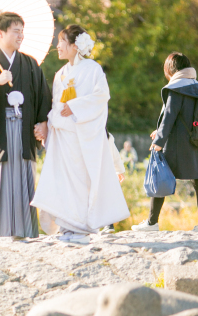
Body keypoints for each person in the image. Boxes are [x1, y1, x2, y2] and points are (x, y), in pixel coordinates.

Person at [31, 25, 130, 244]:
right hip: (63, 135)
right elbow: (56, 104)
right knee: (64, 180)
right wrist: (50, 122)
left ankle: (84, 226)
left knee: (83, 180)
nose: (58, 47)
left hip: (83, 136)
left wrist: (75, 106)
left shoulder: (92, 69)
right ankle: (67, 226)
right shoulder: (60, 74)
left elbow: (101, 96)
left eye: (62, 42)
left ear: (75, 46)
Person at [0, 12, 52, 244]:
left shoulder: (30, 64)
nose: (21, 36)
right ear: (0, 34)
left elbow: (43, 96)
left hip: (24, 128)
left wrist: (42, 123)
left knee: (22, 175)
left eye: (22, 31)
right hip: (0, 129)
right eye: (16, 31)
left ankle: (21, 230)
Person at [133, 52, 198, 232]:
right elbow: (185, 114)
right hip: (196, 140)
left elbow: (170, 116)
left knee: (161, 176)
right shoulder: (196, 87)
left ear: (170, 69)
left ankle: (152, 223)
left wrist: (159, 140)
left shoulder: (176, 88)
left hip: (178, 144)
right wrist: (159, 130)